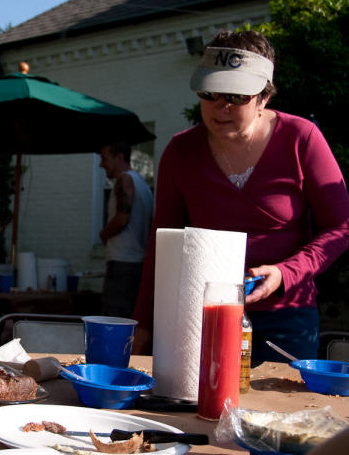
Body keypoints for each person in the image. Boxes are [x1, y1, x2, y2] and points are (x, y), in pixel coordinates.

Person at [132, 30, 349, 363]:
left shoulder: (302, 138)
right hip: (205, 314)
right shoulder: (180, 151)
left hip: (286, 317)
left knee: (280, 414)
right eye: (210, 92)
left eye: (237, 95)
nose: (222, 106)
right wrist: (143, 323)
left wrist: (286, 273)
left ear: (264, 96)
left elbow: (340, 227)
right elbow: (162, 243)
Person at [98, 141, 154, 318]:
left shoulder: (125, 179)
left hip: (122, 263)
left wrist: (104, 234)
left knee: (113, 320)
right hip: (136, 263)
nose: (101, 164)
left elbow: (123, 218)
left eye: (104, 158)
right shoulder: (143, 184)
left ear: (119, 157)